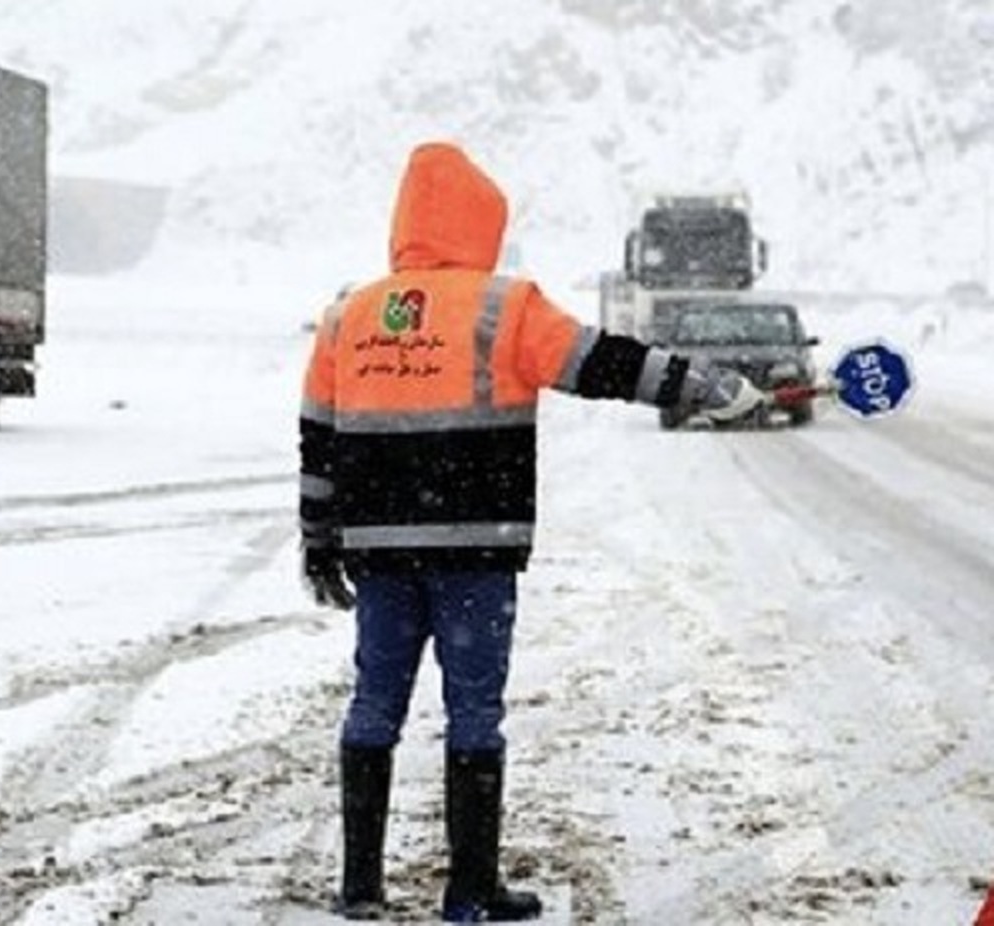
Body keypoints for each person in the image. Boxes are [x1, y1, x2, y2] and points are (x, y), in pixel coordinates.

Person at [298, 142, 762, 922]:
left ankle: (360, 885)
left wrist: (319, 538)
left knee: (374, 703)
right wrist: (703, 385)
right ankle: (470, 892)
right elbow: (605, 364)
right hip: (474, 551)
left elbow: (318, 434)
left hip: (377, 553)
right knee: (474, 712)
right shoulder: (504, 306)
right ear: (480, 222)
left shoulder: (349, 313)